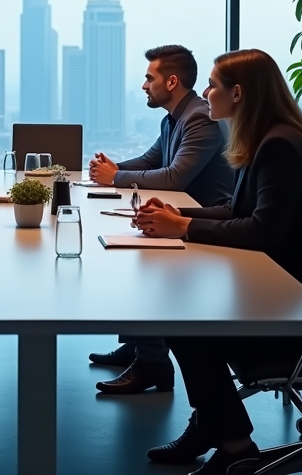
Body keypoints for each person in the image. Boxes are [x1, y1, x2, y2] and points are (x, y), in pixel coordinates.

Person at [133, 49, 302, 475]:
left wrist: (182, 229)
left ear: (238, 93)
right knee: (184, 319)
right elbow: (237, 209)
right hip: (300, 294)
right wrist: (179, 217)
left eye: (212, 85)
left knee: (187, 327)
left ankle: (234, 443)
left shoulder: (279, 145)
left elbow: (260, 231)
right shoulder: (266, 137)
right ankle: (213, 426)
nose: (205, 94)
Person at [87, 45, 235, 395]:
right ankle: (141, 346)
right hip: (185, 215)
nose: (143, 86)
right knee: (135, 248)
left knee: (145, 257)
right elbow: (152, 159)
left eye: (148, 78)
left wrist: (114, 178)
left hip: (210, 223)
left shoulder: (199, 117)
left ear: (171, 81)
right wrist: (114, 170)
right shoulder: (174, 118)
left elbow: (174, 178)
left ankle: (153, 361)